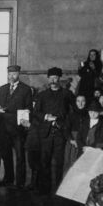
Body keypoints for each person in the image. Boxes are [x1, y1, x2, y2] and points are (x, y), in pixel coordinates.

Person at [30, 66, 73, 194]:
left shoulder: (67, 94)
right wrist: (45, 116)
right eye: (51, 78)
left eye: (56, 78)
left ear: (59, 78)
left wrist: (65, 122)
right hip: (46, 133)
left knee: (59, 162)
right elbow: (35, 112)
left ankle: (59, 188)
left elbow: (73, 111)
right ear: (48, 79)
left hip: (60, 132)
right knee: (45, 161)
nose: (53, 80)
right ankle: (45, 188)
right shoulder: (42, 95)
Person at [0, 64, 33, 187]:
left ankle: (20, 182)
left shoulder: (25, 89)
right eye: (9, 74)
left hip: (17, 129)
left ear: (18, 74)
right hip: (3, 127)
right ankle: (8, 178)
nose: (11, 76)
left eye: (14, 74)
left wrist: (23, 122)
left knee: (20, 156)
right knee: (6, 155)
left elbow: (28, 109)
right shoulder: (2, 88)